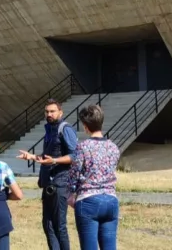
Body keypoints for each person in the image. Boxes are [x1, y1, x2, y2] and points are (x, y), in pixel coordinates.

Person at [17, 99, 77, 250]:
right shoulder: (49, 130)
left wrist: (55, 160)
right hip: (48, 184)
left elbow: (75, 156)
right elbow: (47, 158)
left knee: (59, 225)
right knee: (48, 225)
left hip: (61, 183)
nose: (49, 114)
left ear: (60, 112)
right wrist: (32, 157)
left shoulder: (65, 129)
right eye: (47, 112)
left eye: (52, 111)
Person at [68, 105, 120, 250]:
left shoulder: (83, 147)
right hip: (111, 199)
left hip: (88, 199)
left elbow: (74, 173)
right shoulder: (113, 147)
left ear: (85, 126)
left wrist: (71, 194)